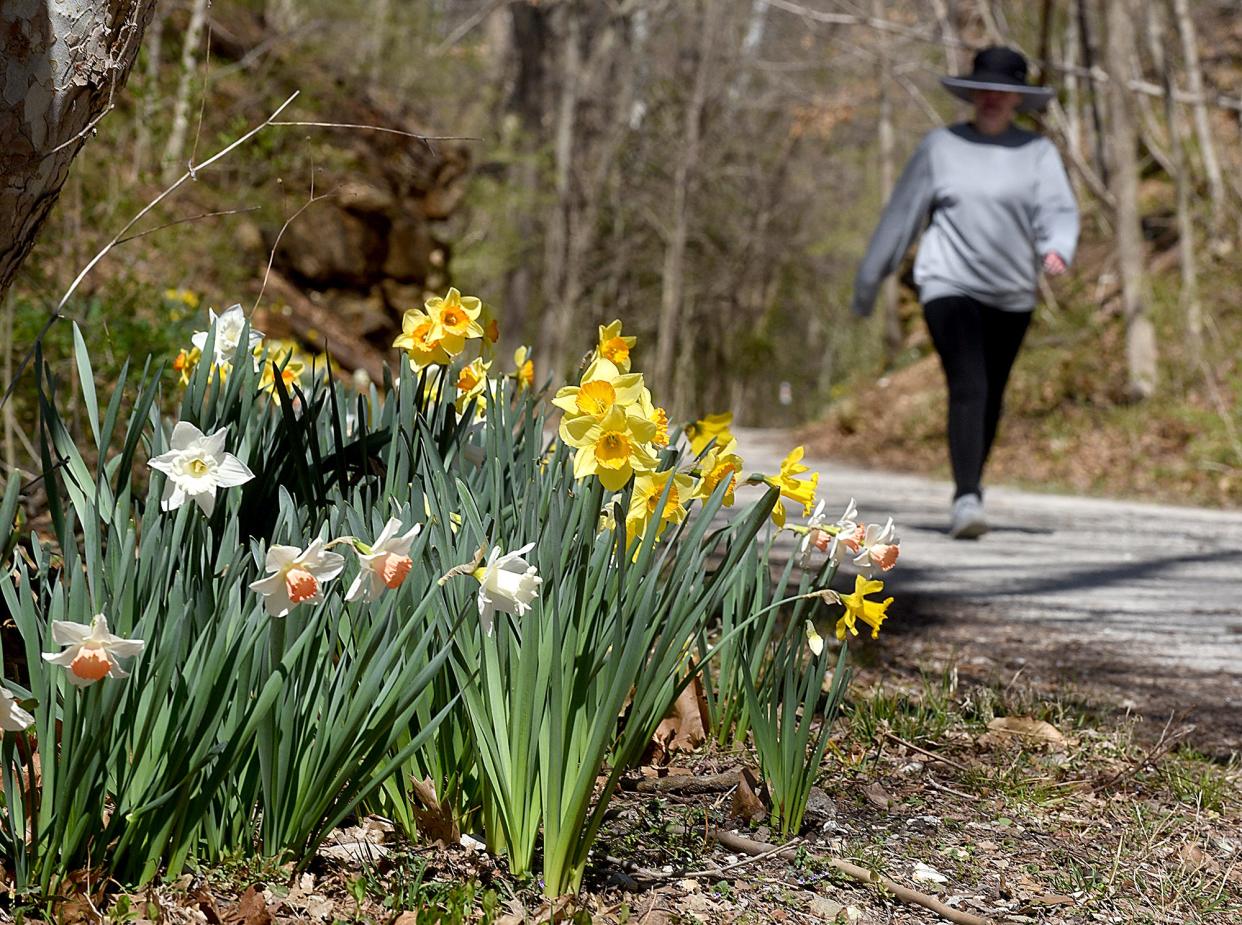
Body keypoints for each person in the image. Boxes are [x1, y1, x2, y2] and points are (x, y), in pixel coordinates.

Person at [851, 46, 1079, 539]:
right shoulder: (940, 147)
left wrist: (1057, 248)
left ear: (1019, 100)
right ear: (973, 93)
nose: (994, 98)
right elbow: (901, 216)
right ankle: (966, 497)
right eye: (987, 89)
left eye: (1006, 91)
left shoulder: (1037, 153)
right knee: (969, 382)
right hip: (947, 281)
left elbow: (1059, 211)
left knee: (992, 394)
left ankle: (971, 485)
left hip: (1013, 292)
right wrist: (869, 283)